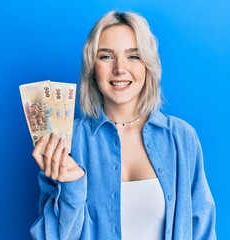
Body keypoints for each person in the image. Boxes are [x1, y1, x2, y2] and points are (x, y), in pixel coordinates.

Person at [30, 11, 216, 240]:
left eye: (133, 56)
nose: (119, 69)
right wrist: (72, 187)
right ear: (92, 67)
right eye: (106, 56)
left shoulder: (181, 137)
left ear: (148, 65)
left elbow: (203, 228)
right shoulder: (66, 140)